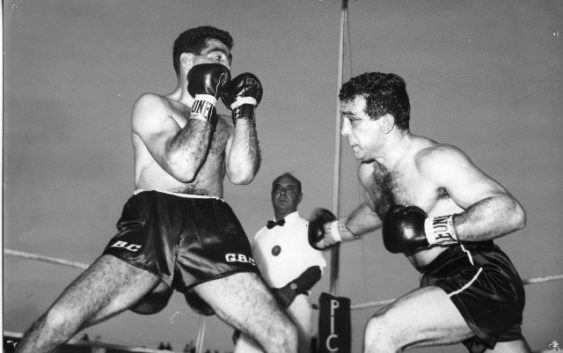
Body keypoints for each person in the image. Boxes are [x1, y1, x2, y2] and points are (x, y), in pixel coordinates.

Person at [15, 26, 297, 353]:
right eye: (218, 57)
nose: (227, 67)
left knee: (282, 336)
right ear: (188, 61)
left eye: (230, 61)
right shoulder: (153, 105)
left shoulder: (225, 123)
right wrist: (204, 99)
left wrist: (244, 110)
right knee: (60, 320)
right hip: (155, 218)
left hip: (212, 223)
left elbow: (243, 173)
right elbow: (182, 164)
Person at [308, 72, 531, 353]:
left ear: (386, 122)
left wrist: (429, 230)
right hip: (440, 280)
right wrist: (332, 232)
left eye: (352, 121)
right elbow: (379, 211)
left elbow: (510, 212)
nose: (343, 131)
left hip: (479, 272)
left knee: (382, 330)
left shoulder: (435, 160)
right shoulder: (369, 172)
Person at [234, 173, 326, 353]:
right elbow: (253, 278)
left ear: (299, 197)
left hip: (294, 304)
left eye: (290, 189)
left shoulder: (309, 228)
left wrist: (289, 291)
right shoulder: (260, 234)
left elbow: (316, 269)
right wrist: (242, 321)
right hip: (261, 307)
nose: (283, 193)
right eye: (278, 188)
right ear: (271, 194)